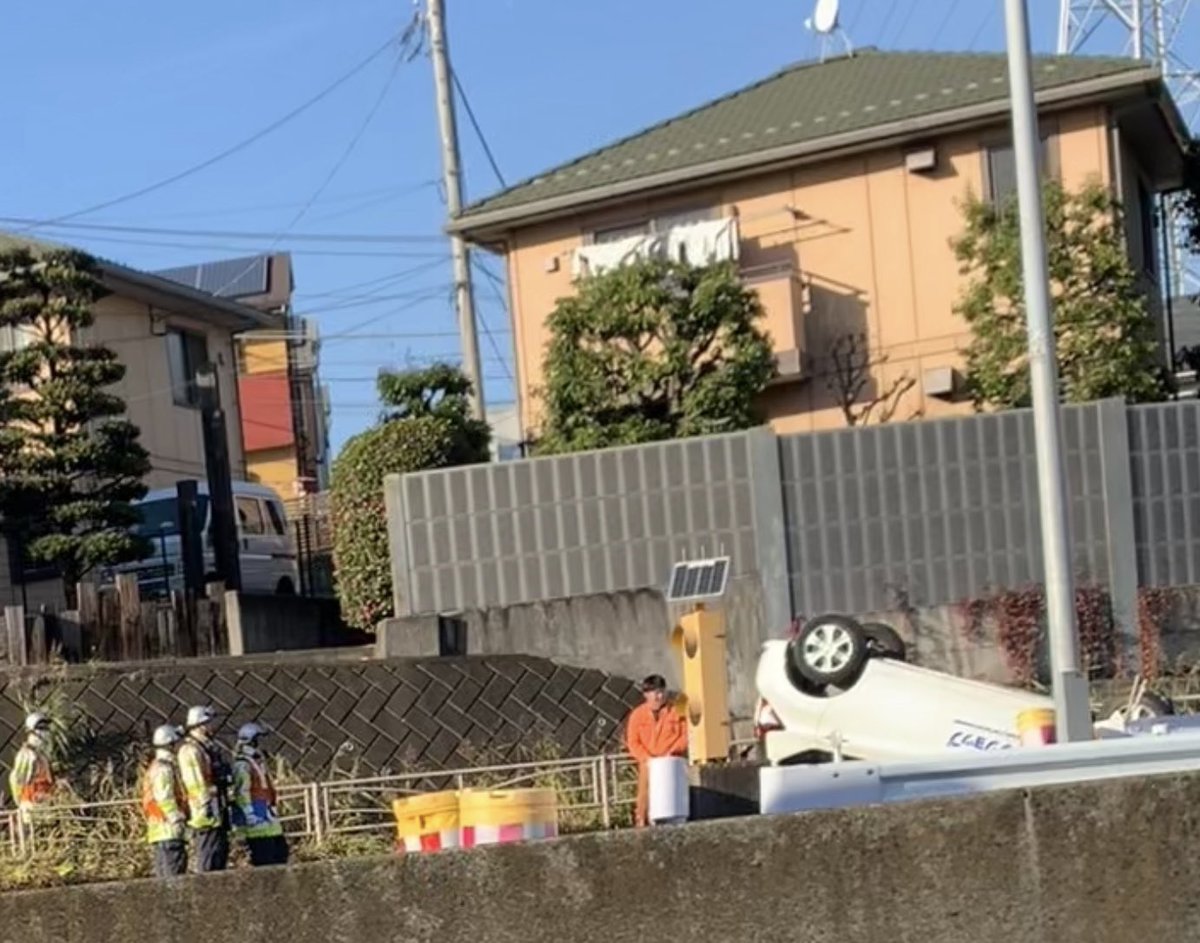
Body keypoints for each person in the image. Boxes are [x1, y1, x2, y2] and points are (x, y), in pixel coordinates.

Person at [624, 675, 688, 828]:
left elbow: (686, 735)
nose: (659, 696)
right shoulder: (637, 715)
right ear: (646, 694)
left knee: (674, 798)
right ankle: (642, 823)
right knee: (644, 799)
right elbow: (633, 742)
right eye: (655, 693)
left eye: (661, 692)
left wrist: (672, 752)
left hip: (672, 763)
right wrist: (646, 758)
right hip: (648, 765)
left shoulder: (676, 712)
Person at [177, 705, 231, 873]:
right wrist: (207, 800)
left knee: (219, 854)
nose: (212, 726)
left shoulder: (207, 748)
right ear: (199, 725)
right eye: (208, 722)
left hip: (216, 809)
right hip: (204, 812)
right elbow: (195, 782)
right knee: (207, 856)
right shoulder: (190, 750)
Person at [231, 722, 289, 867]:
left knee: (280, 854)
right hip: (256, 820)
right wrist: (249, 814)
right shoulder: (242, 764)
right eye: (258, 739)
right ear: (252, 740)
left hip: (267, 816)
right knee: (265, 859)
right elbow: (242, 792)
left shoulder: (257, 762)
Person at [142, 724, 189, 879]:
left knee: (163, 878)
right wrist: (176, 817)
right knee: (174, 877)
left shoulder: (155, 766)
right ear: (170, 744)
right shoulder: (165, 768)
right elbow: (164, 797)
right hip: (169, 830)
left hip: (158, 831)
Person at [8, 712, 55, 823]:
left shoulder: (43, 756)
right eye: (41, 728)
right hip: (31, 806)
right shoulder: (26, 755)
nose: (45, 732)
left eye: (46, 728)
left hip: (47, 807)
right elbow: (18, 782)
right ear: (31, 731)